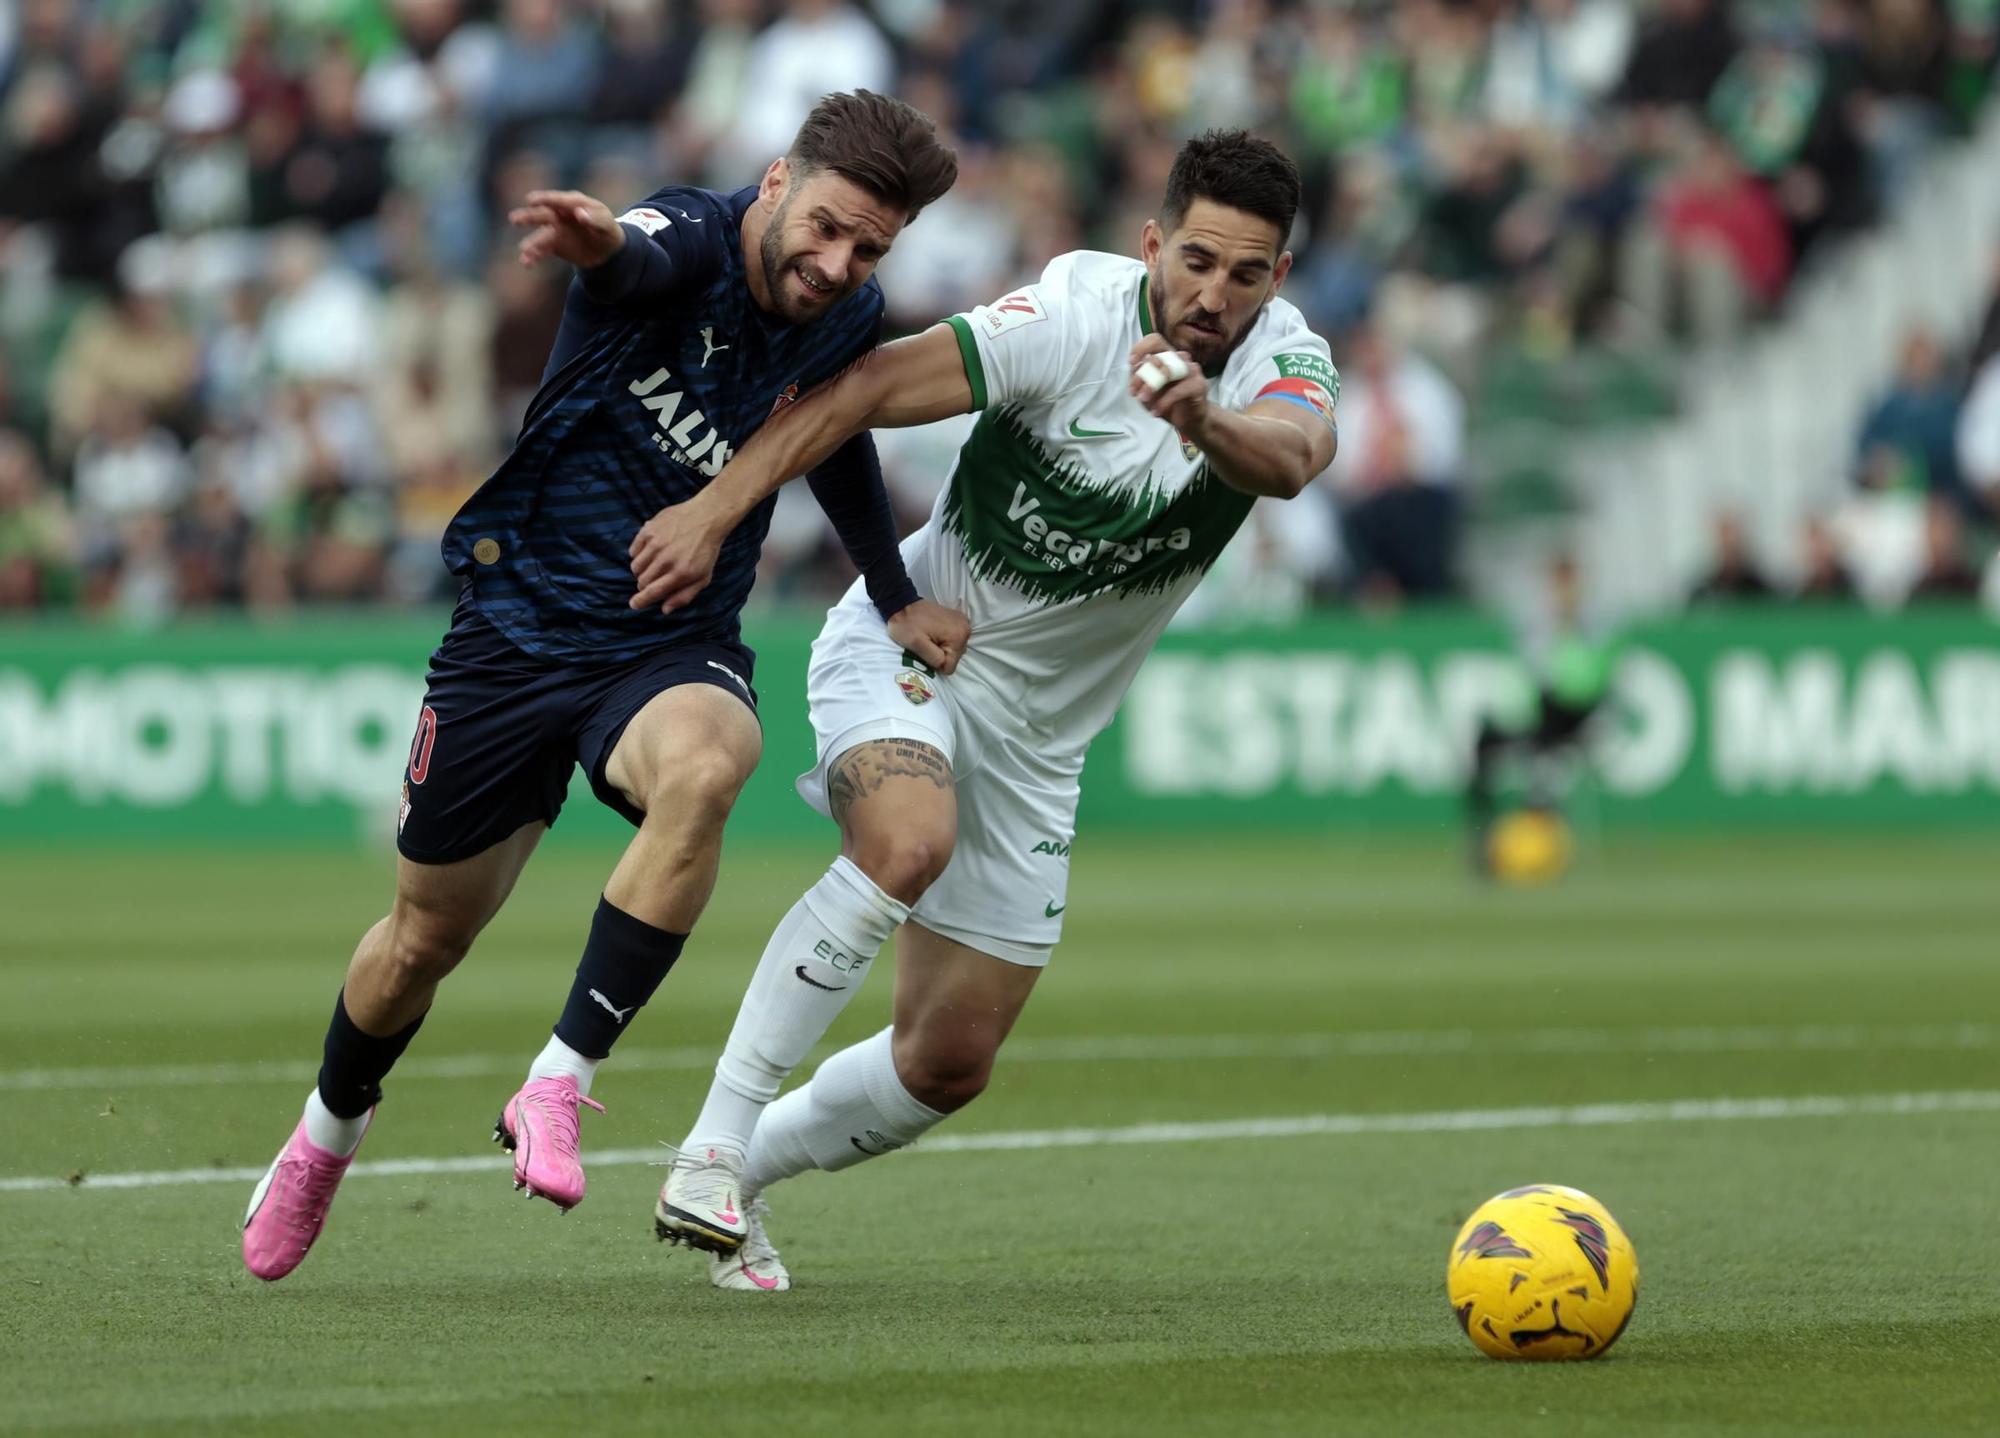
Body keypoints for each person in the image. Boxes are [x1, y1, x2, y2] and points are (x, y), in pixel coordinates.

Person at [240, 91, 968, 1283]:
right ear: (778, 181)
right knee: (422, 939)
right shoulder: (685, 236)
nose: (838, 264)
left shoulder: (845, 316)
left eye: (869, 248)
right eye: (828, 227)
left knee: (709, 764)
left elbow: (831, 436)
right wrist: (595, 246)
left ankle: (558, 1080)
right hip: (514, 631)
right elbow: (636, 260)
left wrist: (891, 590)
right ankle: (325, 1136)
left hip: (662, 640)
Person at [628, 129, 1339, 1290]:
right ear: (1151, 242)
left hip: (1041, 742)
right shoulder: (1069, 314)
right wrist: (714, 511)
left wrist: (1200, 419)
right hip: (917, 649)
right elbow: (864, 388)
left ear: (1278, 279)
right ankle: (711, 1138)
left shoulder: (1285, 363)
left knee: (946, 1061)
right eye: (1196, 260)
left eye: (1246, 273)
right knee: (907, 840)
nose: (1213, 294)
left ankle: (736, 1176)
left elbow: (1294, 457)